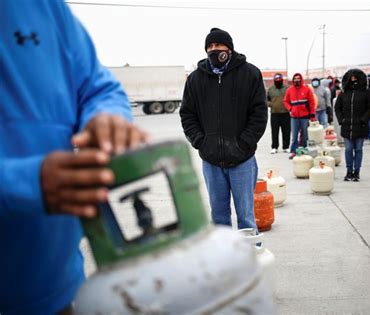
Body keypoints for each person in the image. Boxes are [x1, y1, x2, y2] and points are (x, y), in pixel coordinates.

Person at [0, 2, 148, 314]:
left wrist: (107, 116)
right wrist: (22, 184)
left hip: (60, 291)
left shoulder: (46, 8)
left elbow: (98, 87)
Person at [180, 28, 267, 230]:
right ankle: (225, 260)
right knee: (218, 218)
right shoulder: (195, 79)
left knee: (245, 216)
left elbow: (259, 114)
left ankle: (249, 257)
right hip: (211, 161)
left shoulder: (250, 73)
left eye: (218, 45)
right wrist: (201, 142)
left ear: (229, 48)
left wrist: (244, 143)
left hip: (243, 159)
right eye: (209, 46)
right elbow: (187, 114)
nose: (213, 49)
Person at [335, 69, 370, 182]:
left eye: (355, 77)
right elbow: (337, 107)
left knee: (358, 149)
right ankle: (349, 171)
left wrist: (364, 120)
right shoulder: (344, 93)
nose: (353, 79)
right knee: (348, 149)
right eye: (351, 77)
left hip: (360, 127)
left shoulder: (366, 92)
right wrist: (341, 119)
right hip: (347, 126)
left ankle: (356, 171)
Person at [284, 73, 316, 159]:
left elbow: (311, 103)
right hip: (294, 117)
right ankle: (294, 151)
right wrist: (290, 109)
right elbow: (285, 101)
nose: (296, 80)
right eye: (295, 78)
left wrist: (312, 115)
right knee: (294, 136)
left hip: (305, 117)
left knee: (305, 135)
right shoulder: (289, 90)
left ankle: (304, 151)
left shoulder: (307, 89)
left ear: (301, 79)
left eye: (298, 78)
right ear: (293, 80)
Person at [267, 73, 290, 154]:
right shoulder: (271, 89)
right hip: (275, 114)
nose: (278, 82)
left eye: (279, 80)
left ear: (282, 80)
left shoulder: (287, 88)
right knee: (274, 131)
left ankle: (286, 147)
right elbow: (266, 100)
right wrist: (271, 104)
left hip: (285, 113)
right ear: (274, 81)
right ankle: (274, 147)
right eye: (276, 80)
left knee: (286, 131)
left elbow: (290, 98)